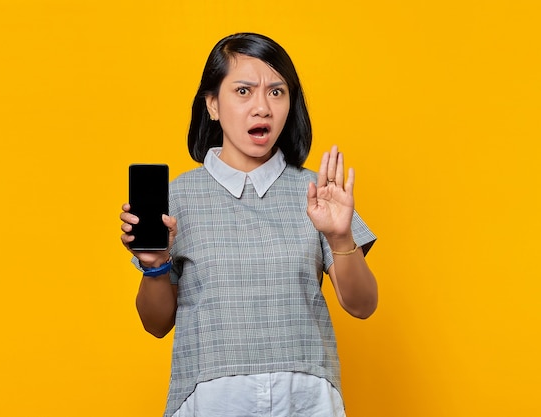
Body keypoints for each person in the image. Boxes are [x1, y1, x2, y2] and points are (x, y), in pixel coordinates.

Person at [120, 32, 378, 417]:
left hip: (306, 399)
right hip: (210, 401)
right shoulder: (179, 198)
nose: (263, 107)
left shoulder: (318, 194)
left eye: (277, 92)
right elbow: (156, 325)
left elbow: (363, 306)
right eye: (244, 91)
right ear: (212, 104)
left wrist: (340, 236)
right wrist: (155, 264)